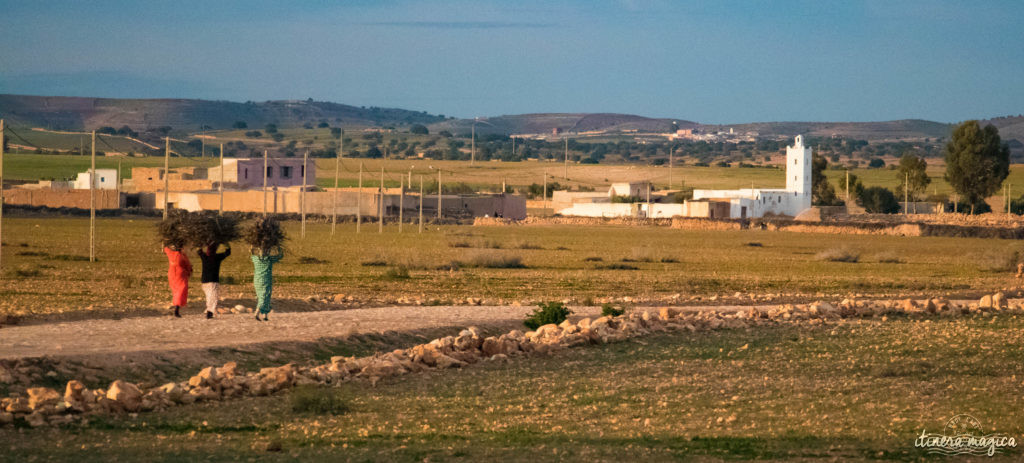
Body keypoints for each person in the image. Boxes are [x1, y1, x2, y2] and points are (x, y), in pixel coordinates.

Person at [197, 243, 231, 319]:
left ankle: (209, 312)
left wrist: (200, 242)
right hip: (213, 281)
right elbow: (228, 253)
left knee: (209, 296)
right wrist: (226, 244)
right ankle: (209, 313)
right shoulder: (217, 257)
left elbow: (199, 251)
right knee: (213, 297)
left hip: (204, 281)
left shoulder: (204, 256)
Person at [251, 246, 284, 321]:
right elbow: (280, 256)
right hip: (266, 280)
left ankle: (265, 316)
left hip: (257, 281)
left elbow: (252, 254)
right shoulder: (269, 259)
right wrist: (278, 247)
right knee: (265, 296)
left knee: (262, 296)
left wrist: (252, 248)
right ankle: (256, 312)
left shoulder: (256, 259)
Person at [164, 244, 192, 318]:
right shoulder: (182, 256)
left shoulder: (171, 254)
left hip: (172, 274)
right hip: (181, 275)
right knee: (181, 290)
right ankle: (177, 307)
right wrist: (189, 272)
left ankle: (176, 306)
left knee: (175, 290)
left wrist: (167, 244)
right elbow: (188, 265)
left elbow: (166, 249)